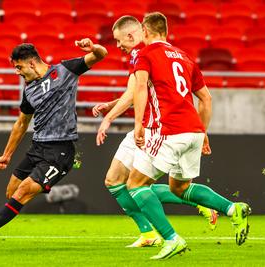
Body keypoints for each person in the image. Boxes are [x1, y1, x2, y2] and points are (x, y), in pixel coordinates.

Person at [0, 39, 108, 246]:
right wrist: (6, 154)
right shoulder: (29, 90)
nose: (17, 72)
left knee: (22, 193)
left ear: (32, 63)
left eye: (18, 67)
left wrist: (94, 48)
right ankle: (46, 185)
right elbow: (21, 123)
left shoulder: (65, 71)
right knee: (11, 192)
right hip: (38, 146)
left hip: (61, 150)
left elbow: (101, 55)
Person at [128, 12, 251, 259]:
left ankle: (172, 239)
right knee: (180, 187)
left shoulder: (146, 54)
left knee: (135, 184)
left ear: (145, 30)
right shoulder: (185, 58)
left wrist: (139, 123)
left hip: (169, 129)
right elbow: (206, 98)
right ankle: (232, 208)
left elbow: (140, 87)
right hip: (193, 131)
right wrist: (202, 131)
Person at [93, 15, 218, 248]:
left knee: (137, 183)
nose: (118, 46)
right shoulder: (152, 52)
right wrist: (111, 105)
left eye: (120, 40)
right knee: (114, 180)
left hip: (157, 128)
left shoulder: (146, 52)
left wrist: (110, 118)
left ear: (133, 34)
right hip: (151, 125)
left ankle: (195, 204)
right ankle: (148, 233)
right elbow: (135, 91)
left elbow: (136, 92)